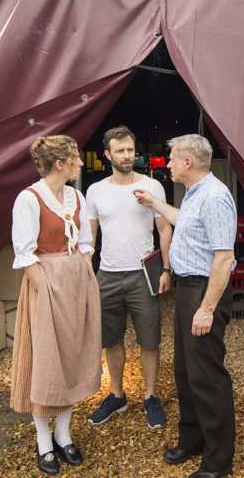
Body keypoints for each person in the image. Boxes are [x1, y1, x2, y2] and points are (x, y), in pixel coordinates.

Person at [133, 134, 236, 478]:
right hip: (188, 289)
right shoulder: (196, 194)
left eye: (173, 158)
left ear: (188, 163)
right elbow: (185, 221)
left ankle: (218, 461)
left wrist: (206, 309)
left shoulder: (216, 197)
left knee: (207, 376)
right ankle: (193, 439)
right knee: (185, 372)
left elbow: (224, 259)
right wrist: (154, 204)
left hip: (205, 291)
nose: (170, 163)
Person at [10, 135, 102, 476]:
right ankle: (43, 440)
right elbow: (24, 253)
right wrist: (50, 288)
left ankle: (64, 435)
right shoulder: (29, 199)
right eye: (76, 159)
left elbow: (86, 243)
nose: (81, 164)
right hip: (45, 285)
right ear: (59, 164)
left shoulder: (76, 195)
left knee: (73, 357)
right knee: (46, 361)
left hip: (76, 283)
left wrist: (83, 276)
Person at [84, 126, 173, 429]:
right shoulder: (95, 191)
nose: (126, 156)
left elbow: (164, 229)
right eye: (120, 151)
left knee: (149, 340)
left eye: (130, 150)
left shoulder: (152, 187)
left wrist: (166, 269)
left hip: (142, 275)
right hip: (107, 275)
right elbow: (90, 238)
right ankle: (117, 395)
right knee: (111, 340)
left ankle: (150, 397)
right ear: (108, 154)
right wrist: (87, 275)